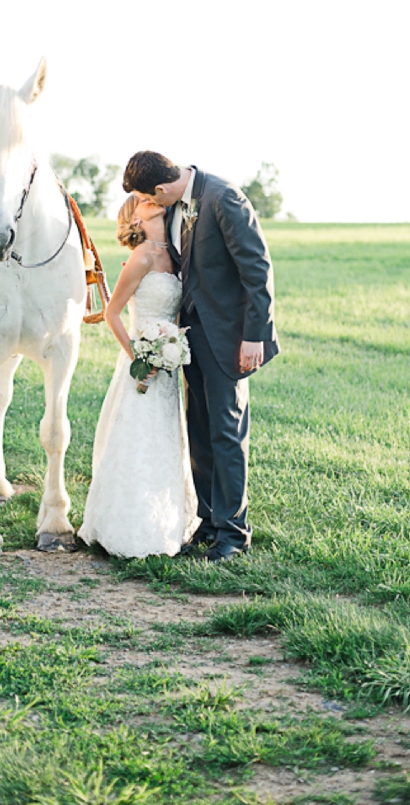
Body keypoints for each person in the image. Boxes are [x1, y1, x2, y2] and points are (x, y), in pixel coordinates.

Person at [122, 151, 279, 563]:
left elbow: (257, 269)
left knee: (227, 435)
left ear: (160, 188)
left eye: (147, 197)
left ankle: (232, 535)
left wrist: (254, 336)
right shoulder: (174, 204)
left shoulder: (223, 198)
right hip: (190, 340)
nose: (147, 206)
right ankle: (207, 523)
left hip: (230, 338)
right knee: (199, 431)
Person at [78, 196, 200, 558]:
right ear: (134, 217)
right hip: (142, 368)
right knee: (137, 441)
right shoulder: (140, 257)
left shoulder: (177, 255)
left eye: (152, 195)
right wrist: (139, 358)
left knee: (165, 444)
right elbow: (113, 314)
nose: (152, 199)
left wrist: (170, 347)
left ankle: (166, 523)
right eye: (142, 200)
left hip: (168, 367)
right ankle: (126, 528)